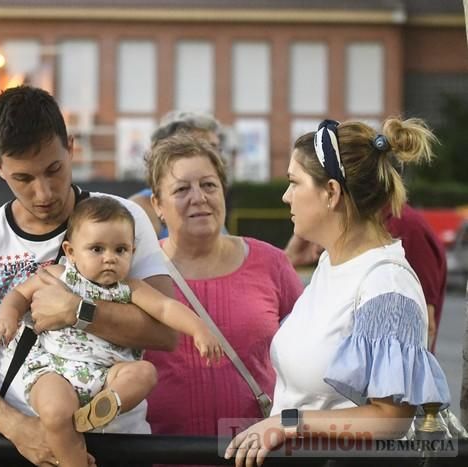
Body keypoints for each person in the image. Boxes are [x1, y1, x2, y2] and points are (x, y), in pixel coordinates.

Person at [0, 85, 177, 467]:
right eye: (23, 178)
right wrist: (18, 429)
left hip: (119, 441)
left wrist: (78, 311)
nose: (44, 192)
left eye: (54, 170)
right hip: (23, 445)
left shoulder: (120, 219)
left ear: (70, 147)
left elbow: (165, 333)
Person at [225, 118, 451, 467]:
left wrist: (288, 424)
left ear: (331, 192)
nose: (286, 196)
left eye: (293, 182)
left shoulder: (385, 284)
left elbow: (390, 419)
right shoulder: (333, 263)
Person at [0, 196, 222, 467]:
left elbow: (166, 308)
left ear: (133, 251)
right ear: (71, 251)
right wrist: (7, 316)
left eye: (120, 250)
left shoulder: (130, 288)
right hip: (56, 370)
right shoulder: (60, 274)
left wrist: (199, 329)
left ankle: (106, 407)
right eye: (97, 249)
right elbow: (19, 295)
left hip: (109, 375)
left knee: (144, 373)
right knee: (54, 412)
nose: (109, 258)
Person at [143, 134, 303, 439]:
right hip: (159, 454)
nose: (199, 197)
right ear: (157, 204)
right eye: (181, 189)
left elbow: (311, 354)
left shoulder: (271, 263)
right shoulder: (140, 272)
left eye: (208, 185)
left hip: (256, 453)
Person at [285, 204, 447, 352]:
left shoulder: (406, 226)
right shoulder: (350, 230)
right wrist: (287, 260)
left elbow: (424, 326)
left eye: (296, 182)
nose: (287, 196)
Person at [129, 111, 225, 238]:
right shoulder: (140, 211)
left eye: (216, 148)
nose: (215, 155)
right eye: (203, 146)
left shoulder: (210, 205)